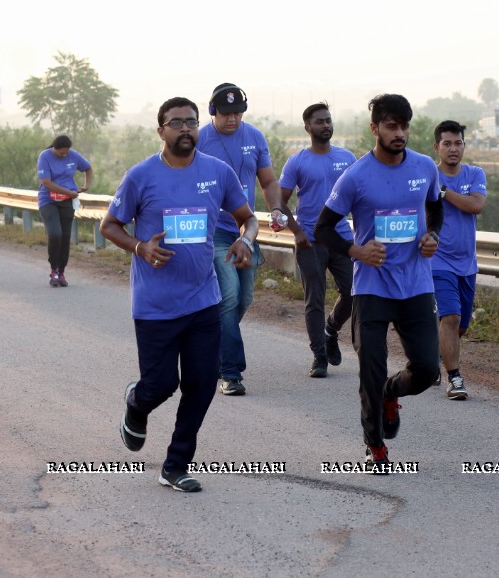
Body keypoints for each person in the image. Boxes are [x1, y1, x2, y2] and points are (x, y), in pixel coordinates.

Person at [101, 96, 258, 492]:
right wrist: (141, 247)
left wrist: (247, 241)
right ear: (161, 131)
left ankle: (175, 464)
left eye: (190, 122)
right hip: (155, 305)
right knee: (160, 385)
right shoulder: (141, 176)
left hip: (203, 300)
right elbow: (109, 225)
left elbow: (247, 218)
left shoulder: (217, 172)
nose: (185, 128)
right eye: (176, 123)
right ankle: (137, 402)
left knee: (202, 384)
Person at [314, 94, 443, 472]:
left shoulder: (424, 167)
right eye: (391, 126)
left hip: (417, 284)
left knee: (427, 371)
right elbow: (323, 228)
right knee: (370, 369)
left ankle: (392, 392)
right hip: (371, 288)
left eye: (404, 126)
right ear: (375, 128)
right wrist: (356, 251)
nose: (399, 133)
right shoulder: (356, 176)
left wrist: (432, 233)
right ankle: (375, 446)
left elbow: (435, 205)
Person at [196, 82, 283, 396]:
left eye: (237, 113)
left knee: (244, 299)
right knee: (229, 296)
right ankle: (230, 373)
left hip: (246, 229)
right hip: (215, 231)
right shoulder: (200, 139)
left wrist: (275, 208)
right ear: (212, 111)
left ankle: (212, 344)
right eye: (225, 113)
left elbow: (269, 180)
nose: (232, 119)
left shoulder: (255, 137)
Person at [277, 102, 357, 378]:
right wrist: (297, 233)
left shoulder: (347, 158)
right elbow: (279, 201)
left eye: (328, 120)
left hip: (342, 239)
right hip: (310, 241)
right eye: (320, 122)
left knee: (354, 293)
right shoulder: (297, 161)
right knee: (315, 300)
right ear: (308, 127)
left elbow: (360, 197)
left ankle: (331, 330)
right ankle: (319, 357)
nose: (326, 125)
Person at [431, 120, 487, 400]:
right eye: (447, 143)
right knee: (450, 317)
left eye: (458, 143)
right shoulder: (427, 175)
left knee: (461, 324)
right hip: (438, 261)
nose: (453, 149)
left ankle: (434, 352)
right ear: (436, 147)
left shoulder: (475, 173)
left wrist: (444, 193)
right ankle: (455, 379)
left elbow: (475, 205)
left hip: (467, 264)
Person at [36, 135, 93, 287]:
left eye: (66, 153)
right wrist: (69, 192)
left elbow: (88, 168)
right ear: (54, 148)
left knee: (66, 237)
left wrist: (86, 185)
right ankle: (53, 269)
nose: (64, 155)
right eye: (61, 153)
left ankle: (61, 272)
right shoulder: (45, 156)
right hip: (48, 201)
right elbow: (46, 182)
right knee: (55, 234)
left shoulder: (72, 155)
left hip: (67, 202)